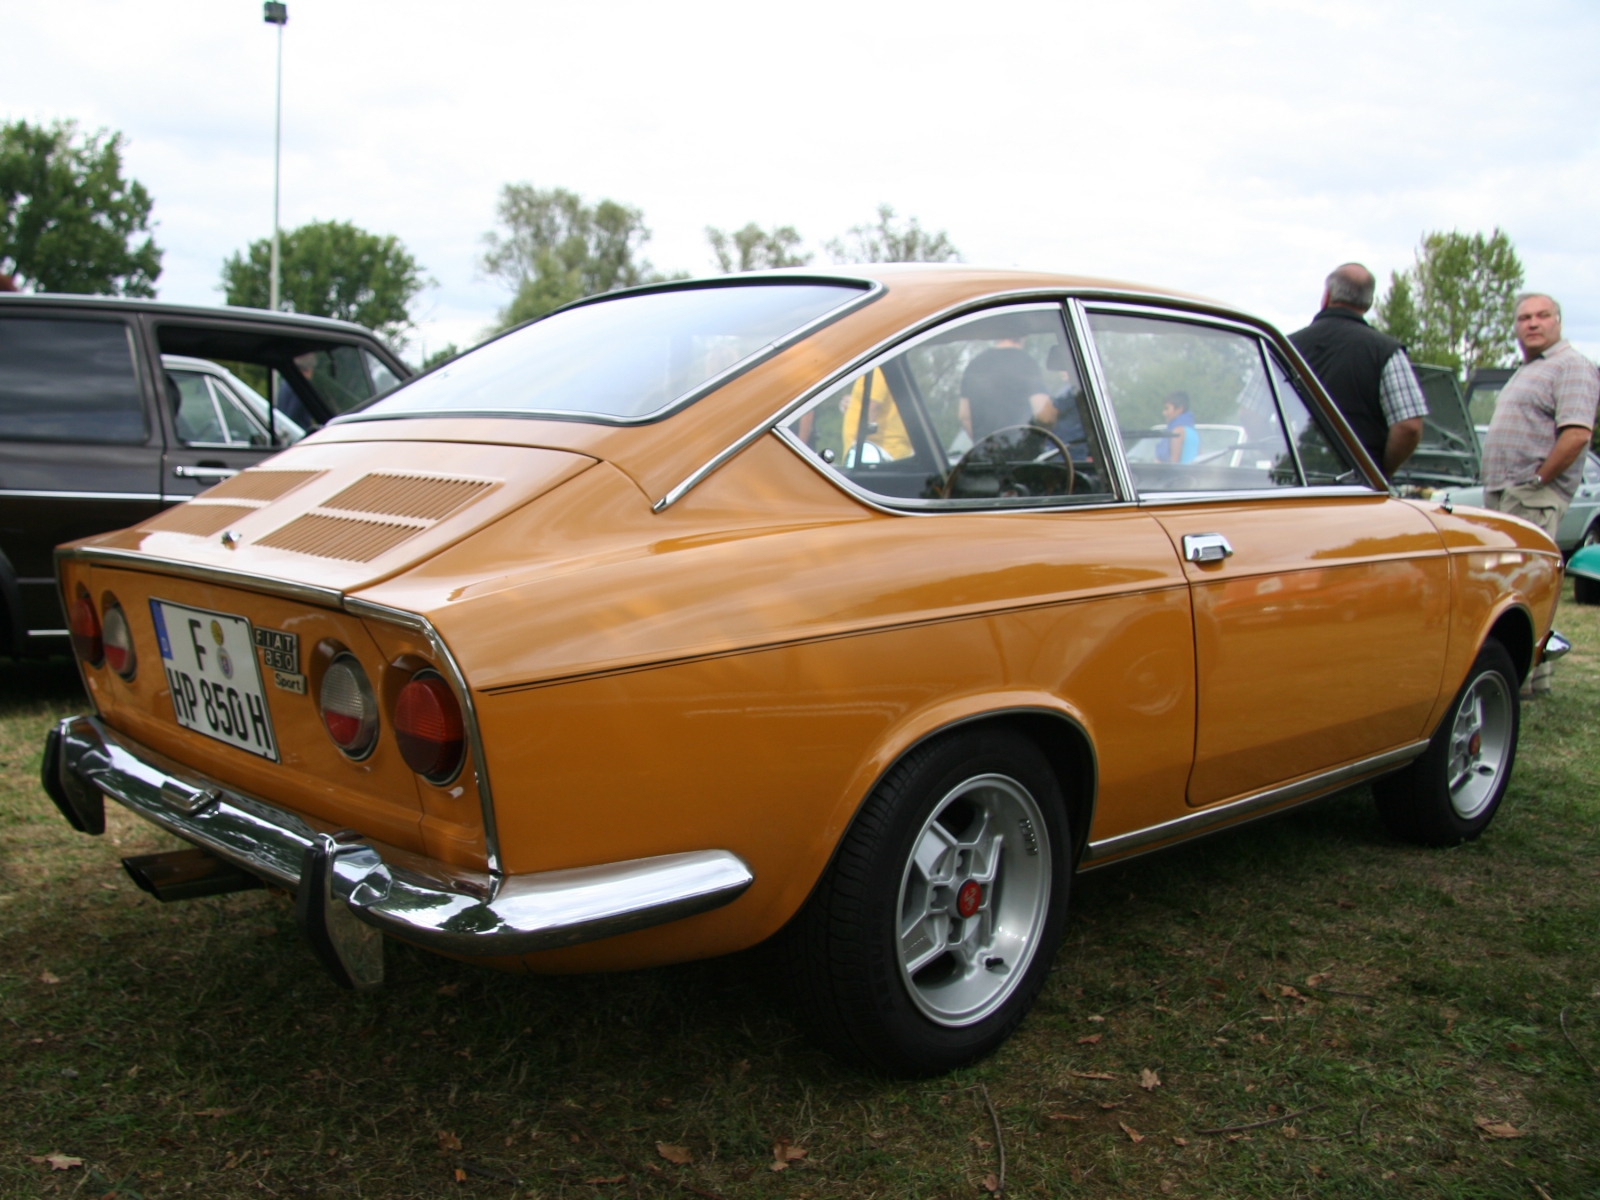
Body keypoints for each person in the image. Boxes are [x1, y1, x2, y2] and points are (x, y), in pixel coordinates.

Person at [1482, 292, 1599, 694]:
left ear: (1558, 322)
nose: (1532, 323)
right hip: (1504, 493)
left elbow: (1578, 433)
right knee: (1509, 586)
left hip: (1533, 494)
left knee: (1525, 584)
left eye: (1542, 316)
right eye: (1524, 318)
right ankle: (1523, 677)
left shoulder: (1571, 366)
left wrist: (1538, 479)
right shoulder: (1528, 369)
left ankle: (1527, 683)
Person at [1288, 263, 1428, 479]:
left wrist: (1282, 458)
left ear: (1326, 296)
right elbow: (1409, 426)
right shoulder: (1386, 352)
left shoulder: (1285, 348)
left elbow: (1250, 413)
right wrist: (1379, 471)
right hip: (1356, 490)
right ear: (1369, 303)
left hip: (1293, 482)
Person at [959, 335, 1051, 442]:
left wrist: (983, 445)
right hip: (1021, 452)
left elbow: (964, 415)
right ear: (1022, 335)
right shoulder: (1026, 363)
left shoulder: (974, 365)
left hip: (986, 454)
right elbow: (1045, 416)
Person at [1156, 391, 1200, 463]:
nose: (1164, 412)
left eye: (1167, 408)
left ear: (1179, 409)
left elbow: (1174, 463)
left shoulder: (1177, 431)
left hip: (1180, 474)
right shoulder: (1192, 431)